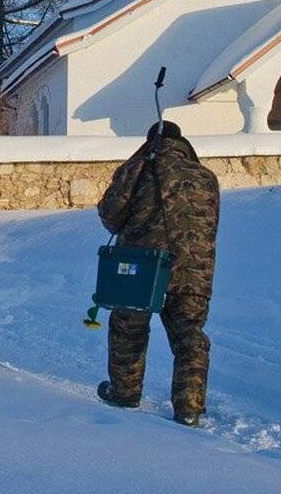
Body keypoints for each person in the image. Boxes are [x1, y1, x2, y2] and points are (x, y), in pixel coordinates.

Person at [95, 119, 220, 426]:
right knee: (189, 334)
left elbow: (111, 215)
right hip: (194, 267)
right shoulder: (206, 177)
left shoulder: (139, 167)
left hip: (144, 264)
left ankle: (125, 392)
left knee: (129, 326)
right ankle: (189, 407)